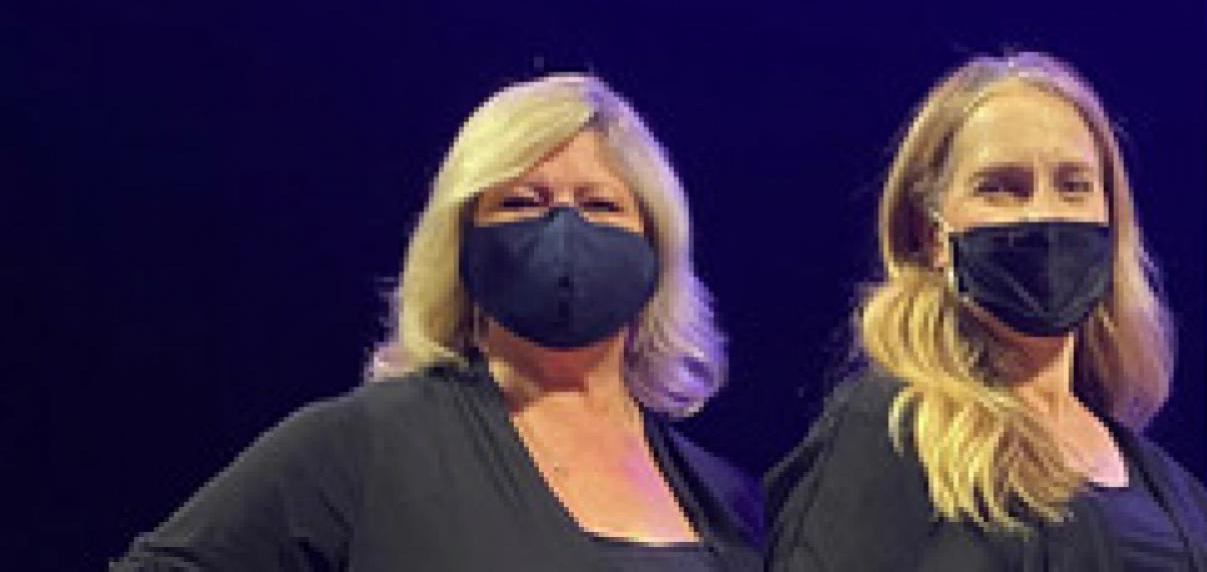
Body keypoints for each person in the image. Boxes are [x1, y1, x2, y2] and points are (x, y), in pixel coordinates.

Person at [117, 75, 762, 570]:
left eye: (599, 205)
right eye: (522, 202)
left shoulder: (728, 501)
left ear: (657, 248)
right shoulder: (367, 446)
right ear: (461, 244)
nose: (564, 227)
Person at [765, 53, 1207, 570]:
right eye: (1001, 188)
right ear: (931, 233)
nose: (1042, 214)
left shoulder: (1174, 492)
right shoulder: (895, 430)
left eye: (1073, 186)